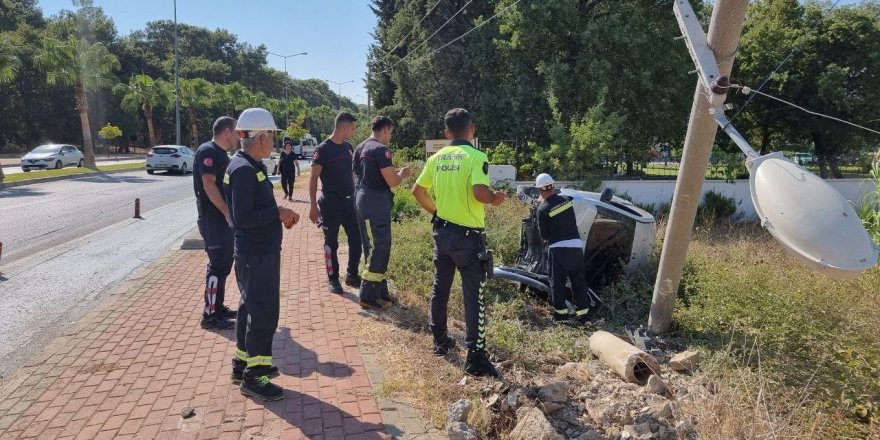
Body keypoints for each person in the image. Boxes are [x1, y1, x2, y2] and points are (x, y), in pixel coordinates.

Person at [412, 108, 506, 377]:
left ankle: (440, 340)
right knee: (473, 295)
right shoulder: (477, 156)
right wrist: (494, 198)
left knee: (440, 288)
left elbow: (417, 191)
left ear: (446, 133)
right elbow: (479, 192)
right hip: (468, 238)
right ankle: (476, 357)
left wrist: (438, 212)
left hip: (442, 234)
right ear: (472, 129)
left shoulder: (436, 158)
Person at [225, 107, 299, 401]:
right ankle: (255, 377)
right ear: (262, 137)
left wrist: (275, 215)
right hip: (257, 254)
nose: (274, 142)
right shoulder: (243, 169)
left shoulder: (247, 164)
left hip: (255, 252)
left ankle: (241, 364)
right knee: (264, 312)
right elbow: (242, 217)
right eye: (272, 136)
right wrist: (278, 212)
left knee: (249, 308)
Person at [353, 116, 412, 309]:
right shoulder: (380, 150)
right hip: (376, 204)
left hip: (362, 201)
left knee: (373, 247)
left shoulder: (360, 148)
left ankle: (380, 292)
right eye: (391, 132)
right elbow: (393, 181)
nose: (391, 137)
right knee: (381, 247)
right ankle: (368, 295)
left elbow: (356, 176)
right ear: (385, 129)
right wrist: (402, 173)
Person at [192, 116, 239, 330]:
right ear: (227, 131)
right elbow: (209, 185)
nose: (239, 136)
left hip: (221, 219)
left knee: (224, 265)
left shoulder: (221, 154)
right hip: (213, 218)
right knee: (217, 266)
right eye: (237, 132)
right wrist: (227, 213)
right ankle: (210, 315)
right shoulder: (207, 151)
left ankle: (217, 307)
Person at [308, 112, 362, 294]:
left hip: (350, 203)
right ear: (344, 128)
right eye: (353, 128)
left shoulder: (348, 147)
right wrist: (313, 205)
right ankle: (333, 278)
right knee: (331, 242)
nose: (354, 132)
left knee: (356, 240)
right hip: (331, 203)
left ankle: (352, 275)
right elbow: (314, 178)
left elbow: (353, 173)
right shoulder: (323, 149)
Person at [535, 173, 594, 326]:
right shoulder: (567, 201)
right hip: (575, 246)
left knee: (557, 283)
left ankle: (561, 316)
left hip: (558, 248)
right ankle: (584, 316)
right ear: (552, 186)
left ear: (540, 190)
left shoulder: (542, 210)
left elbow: (544, 236)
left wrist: (541, 207)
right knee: (578, 281)